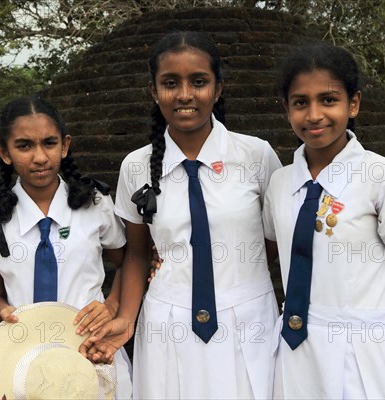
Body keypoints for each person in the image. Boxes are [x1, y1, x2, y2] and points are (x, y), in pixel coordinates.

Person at [82, 31, 283, 399]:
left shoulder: (257, 156)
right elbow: (139, 253)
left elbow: (274, 238)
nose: (185, 95)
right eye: (170, 83)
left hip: (249, 318)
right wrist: (126, 317)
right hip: (166, 320)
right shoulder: (137, 166)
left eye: (199, 82)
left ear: (218, 89)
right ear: (154, 91)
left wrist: (232, 277)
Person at [262, 43, 385, 399]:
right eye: (301, 102)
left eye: (328, 100)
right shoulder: (280, 183)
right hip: (297, 358)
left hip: (366, 357)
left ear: (353, 104)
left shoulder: (382, 176)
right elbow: (272, 256)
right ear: (286, 108)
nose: (314, 115)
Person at [0, 95, 132, 399]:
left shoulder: (95, 202)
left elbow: (129, 261)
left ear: (65, 145)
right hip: (25, 360)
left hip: (93, 349)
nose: (40, 157)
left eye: (49, 143)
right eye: (24, 146)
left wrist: (110, 306)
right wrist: (3, 310)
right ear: (3, 152)